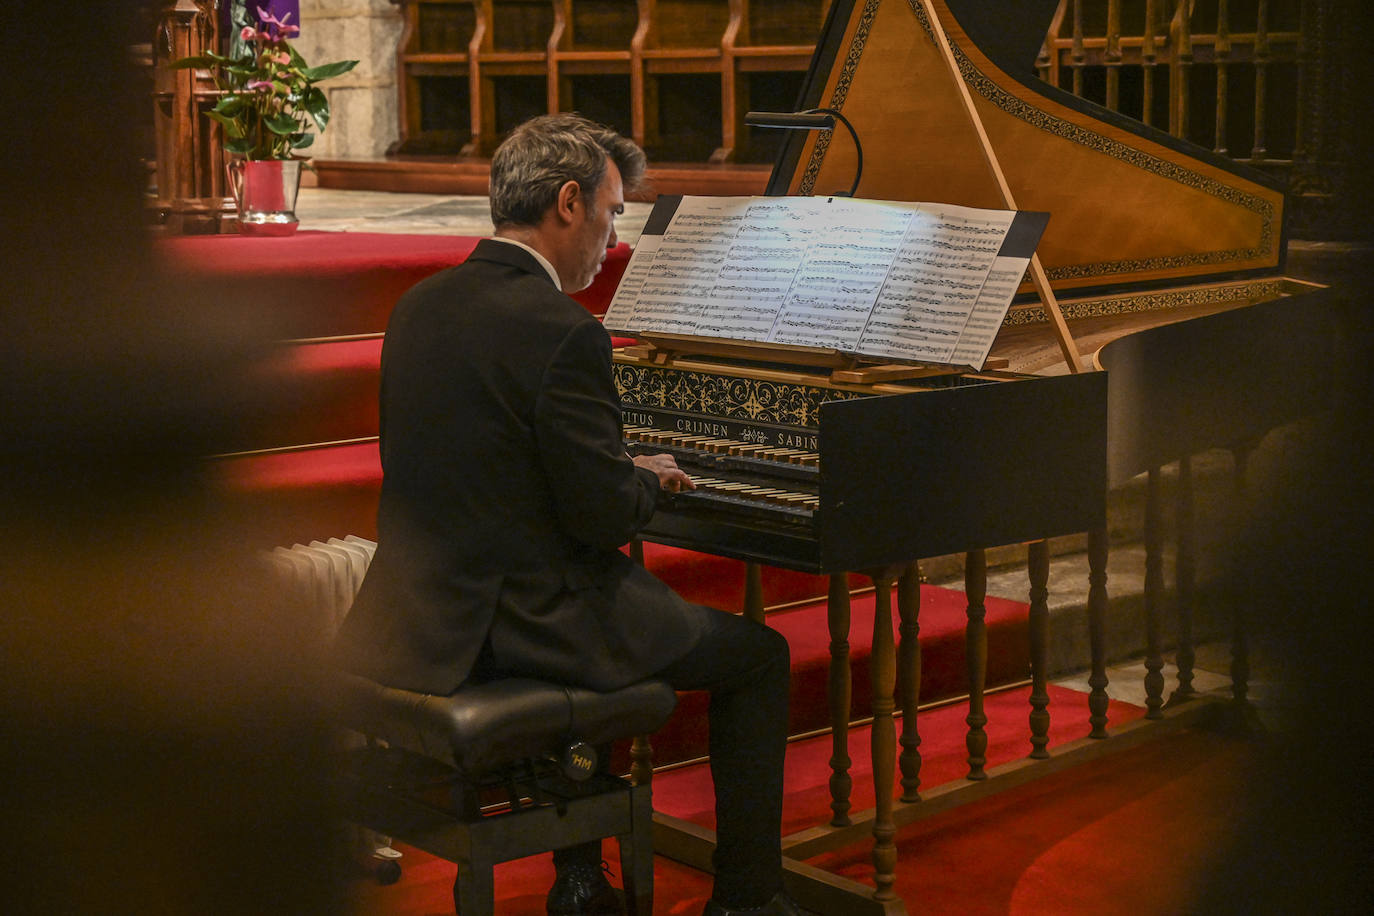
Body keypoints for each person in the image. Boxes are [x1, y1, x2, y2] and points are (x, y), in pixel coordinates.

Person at [334, 113, 803, 916]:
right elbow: (599, 519)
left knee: (615, 608)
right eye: (614, 213)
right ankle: (749, 901)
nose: (613, 237)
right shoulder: (564, 334)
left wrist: (613, 466)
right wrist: (644, 481)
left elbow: (487, 458)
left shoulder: (420, 306)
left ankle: (582, 879)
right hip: (525, 622)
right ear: (568, 202)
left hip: (418, 616)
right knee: (758, 655)